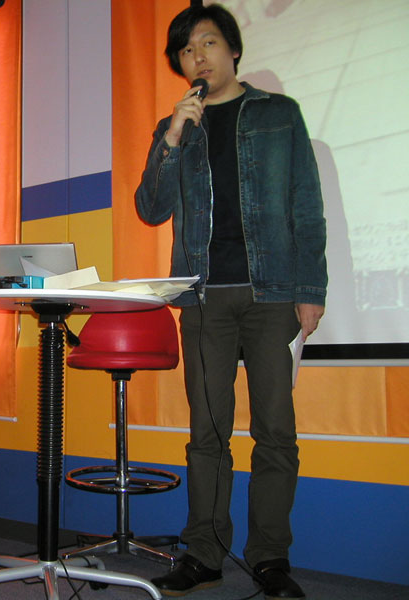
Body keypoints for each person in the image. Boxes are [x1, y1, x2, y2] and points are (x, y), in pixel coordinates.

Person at [135, 4, 326, 600]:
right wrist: (171, 136)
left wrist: (311, 291)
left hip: (272, 294)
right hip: (202, 298)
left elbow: (306, 205)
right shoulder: (177, 127)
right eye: (187, 50)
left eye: (208, 43)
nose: (199, 57)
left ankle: (270, 557)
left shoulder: (278, 115)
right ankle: (205, 553)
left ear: (233, 49)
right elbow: (150, 208)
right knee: (207, 433)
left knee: (275, 431)